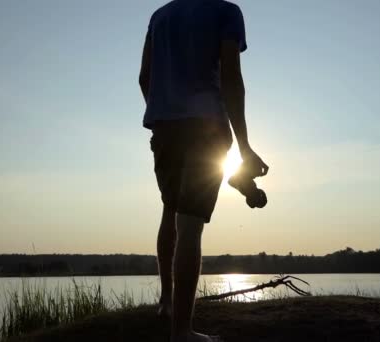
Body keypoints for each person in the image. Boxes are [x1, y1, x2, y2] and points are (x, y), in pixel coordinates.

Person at [138, 1, 268, 341]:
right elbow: (230, 78)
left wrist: (164, 110)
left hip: (164, 128)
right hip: (206, 126)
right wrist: (244, 147)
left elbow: (144, 77)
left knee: (170, 210)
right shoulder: (226, 12)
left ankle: (167, 302)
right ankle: (182, 332)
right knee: (190, 225)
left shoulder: (160, 16)